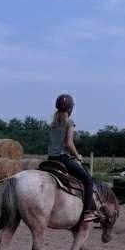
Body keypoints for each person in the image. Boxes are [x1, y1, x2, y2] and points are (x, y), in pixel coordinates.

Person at [48, 93, 97, 223]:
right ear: (70, 108)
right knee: (88, 181)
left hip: (50, 159)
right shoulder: (69, 123)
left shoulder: (52, 124)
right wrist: (78, 156)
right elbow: (69, 144)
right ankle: (87, 212)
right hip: (63, 159)